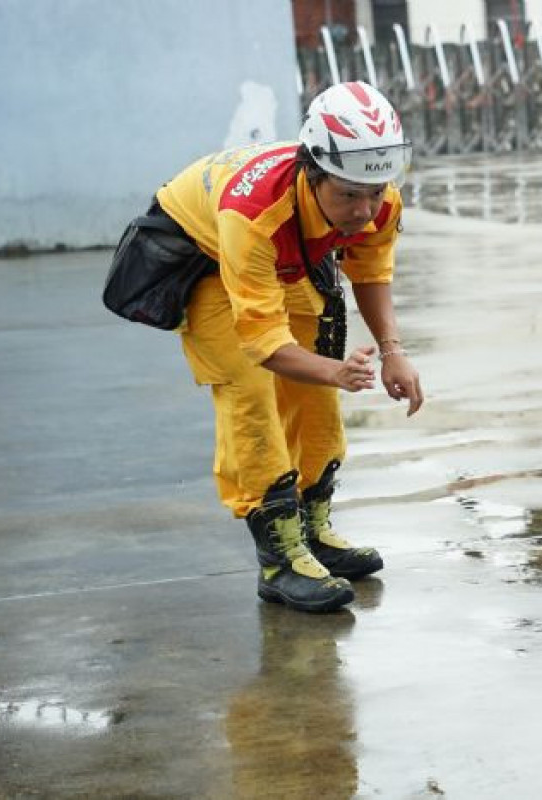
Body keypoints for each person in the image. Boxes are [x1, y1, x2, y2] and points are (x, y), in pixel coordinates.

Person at [153, 81, 424, 613]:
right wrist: (334, 371)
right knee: (250, 387)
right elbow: (261, 343)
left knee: (318, 379)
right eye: (348, 195)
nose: (366, 212)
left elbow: (370, 270)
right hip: (206, 251)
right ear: (314, 170)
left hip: (287, 248)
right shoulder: (252, 215)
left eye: (374, 193)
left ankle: (314, 531)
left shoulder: (376, 194)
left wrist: (392, 351)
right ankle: (279, 557)